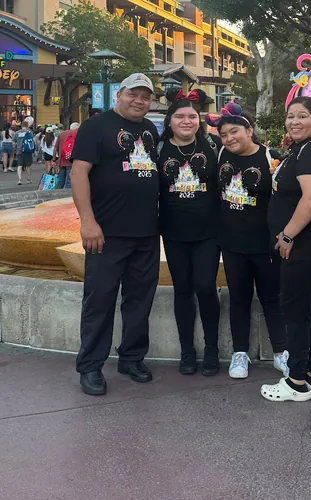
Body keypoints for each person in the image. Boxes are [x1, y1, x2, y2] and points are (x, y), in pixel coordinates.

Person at [71, 73, 160, 396]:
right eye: (133, 94)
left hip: (146, 233)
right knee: (100, 300)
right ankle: (91, 366)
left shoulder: (150, 130)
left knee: (139, 300)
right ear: (118, 95)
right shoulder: (95, 127)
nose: (139, 101)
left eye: (145, 97)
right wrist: (88, 222)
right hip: (106, 233)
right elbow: (78, 173)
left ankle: (132, 358)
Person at [205, 103, 289, 379]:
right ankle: (239, 353)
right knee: (239, 298)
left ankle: (281, 352)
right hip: (232, 243)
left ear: (249, 130)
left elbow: (286, 198)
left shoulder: (271, 158)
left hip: (265, 244)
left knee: (272, 298)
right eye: (224, 135)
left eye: (234, 132)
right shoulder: (220, 155)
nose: (229, 138)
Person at [261, 96, 311, 402]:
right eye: (290, 116)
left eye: (302, 116)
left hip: (304, 247)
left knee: (295, 312)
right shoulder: (302, 149)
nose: (294, 121)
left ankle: (296, 382)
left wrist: (288, 235)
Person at [158, 88, 221, 376]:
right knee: (182, 289)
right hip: (173, 232)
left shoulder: (213, 144)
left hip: (208, 231)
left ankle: (212, 349)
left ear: (199, 120)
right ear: (170, 121)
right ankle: (187, 350)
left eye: (192, 116)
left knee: (205, 287)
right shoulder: (159, 149)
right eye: (180, 116)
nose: (186, 121)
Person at [55, 122, 80, 189]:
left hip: (61, 160)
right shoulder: (75, 135)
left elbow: (56, 147)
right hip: (70, 161)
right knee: (69, 180)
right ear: (77, 129)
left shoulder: (61, 134)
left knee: (60, 180)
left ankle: (56, 192)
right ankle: (66, 194)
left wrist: (55, 159)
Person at [13, 120, 34, 185]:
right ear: (27, 126)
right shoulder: (30, 132)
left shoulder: (17, 132)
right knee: (28, 166)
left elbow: (13, 143)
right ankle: (28, 179)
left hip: (19, 151)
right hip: (28, 151)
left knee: (19, 165)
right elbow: (32, 142)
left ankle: (20, 180)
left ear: (21, 125)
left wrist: (15, 149)